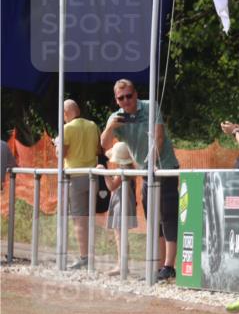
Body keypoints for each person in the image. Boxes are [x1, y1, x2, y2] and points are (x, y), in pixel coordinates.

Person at [100, 79, 181, 282]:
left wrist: (151, 164)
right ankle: (159, 267)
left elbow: (159, 137)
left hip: (164, 169)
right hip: (146, 173)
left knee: (168, 217)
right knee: (154, 219)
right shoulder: (116, 117)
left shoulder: (150, 106)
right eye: (121, 98)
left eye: (129, 95)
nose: (126, 100)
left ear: (136, 94)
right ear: (116, 100)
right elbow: (103, 144)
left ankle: (169, 266)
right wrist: (110, 127)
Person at [60, 100, 101, 269]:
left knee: (79, 219)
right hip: (93, 176)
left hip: (75, 177)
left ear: (65, 113)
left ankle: (85, 257)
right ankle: (91, 254)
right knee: (91, 217)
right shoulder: (93, 125)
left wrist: (57, 145)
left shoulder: (67, 129)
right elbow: (99, 149)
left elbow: (62, 154)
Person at [104, 142, 139, 276]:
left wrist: (104, 173)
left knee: (119, 236)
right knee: (121, 235)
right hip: (124, 202)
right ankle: (122, 264)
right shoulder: (131, 169)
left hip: (121, 204)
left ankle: (121, 265)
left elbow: (112, 186)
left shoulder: (122, 170)